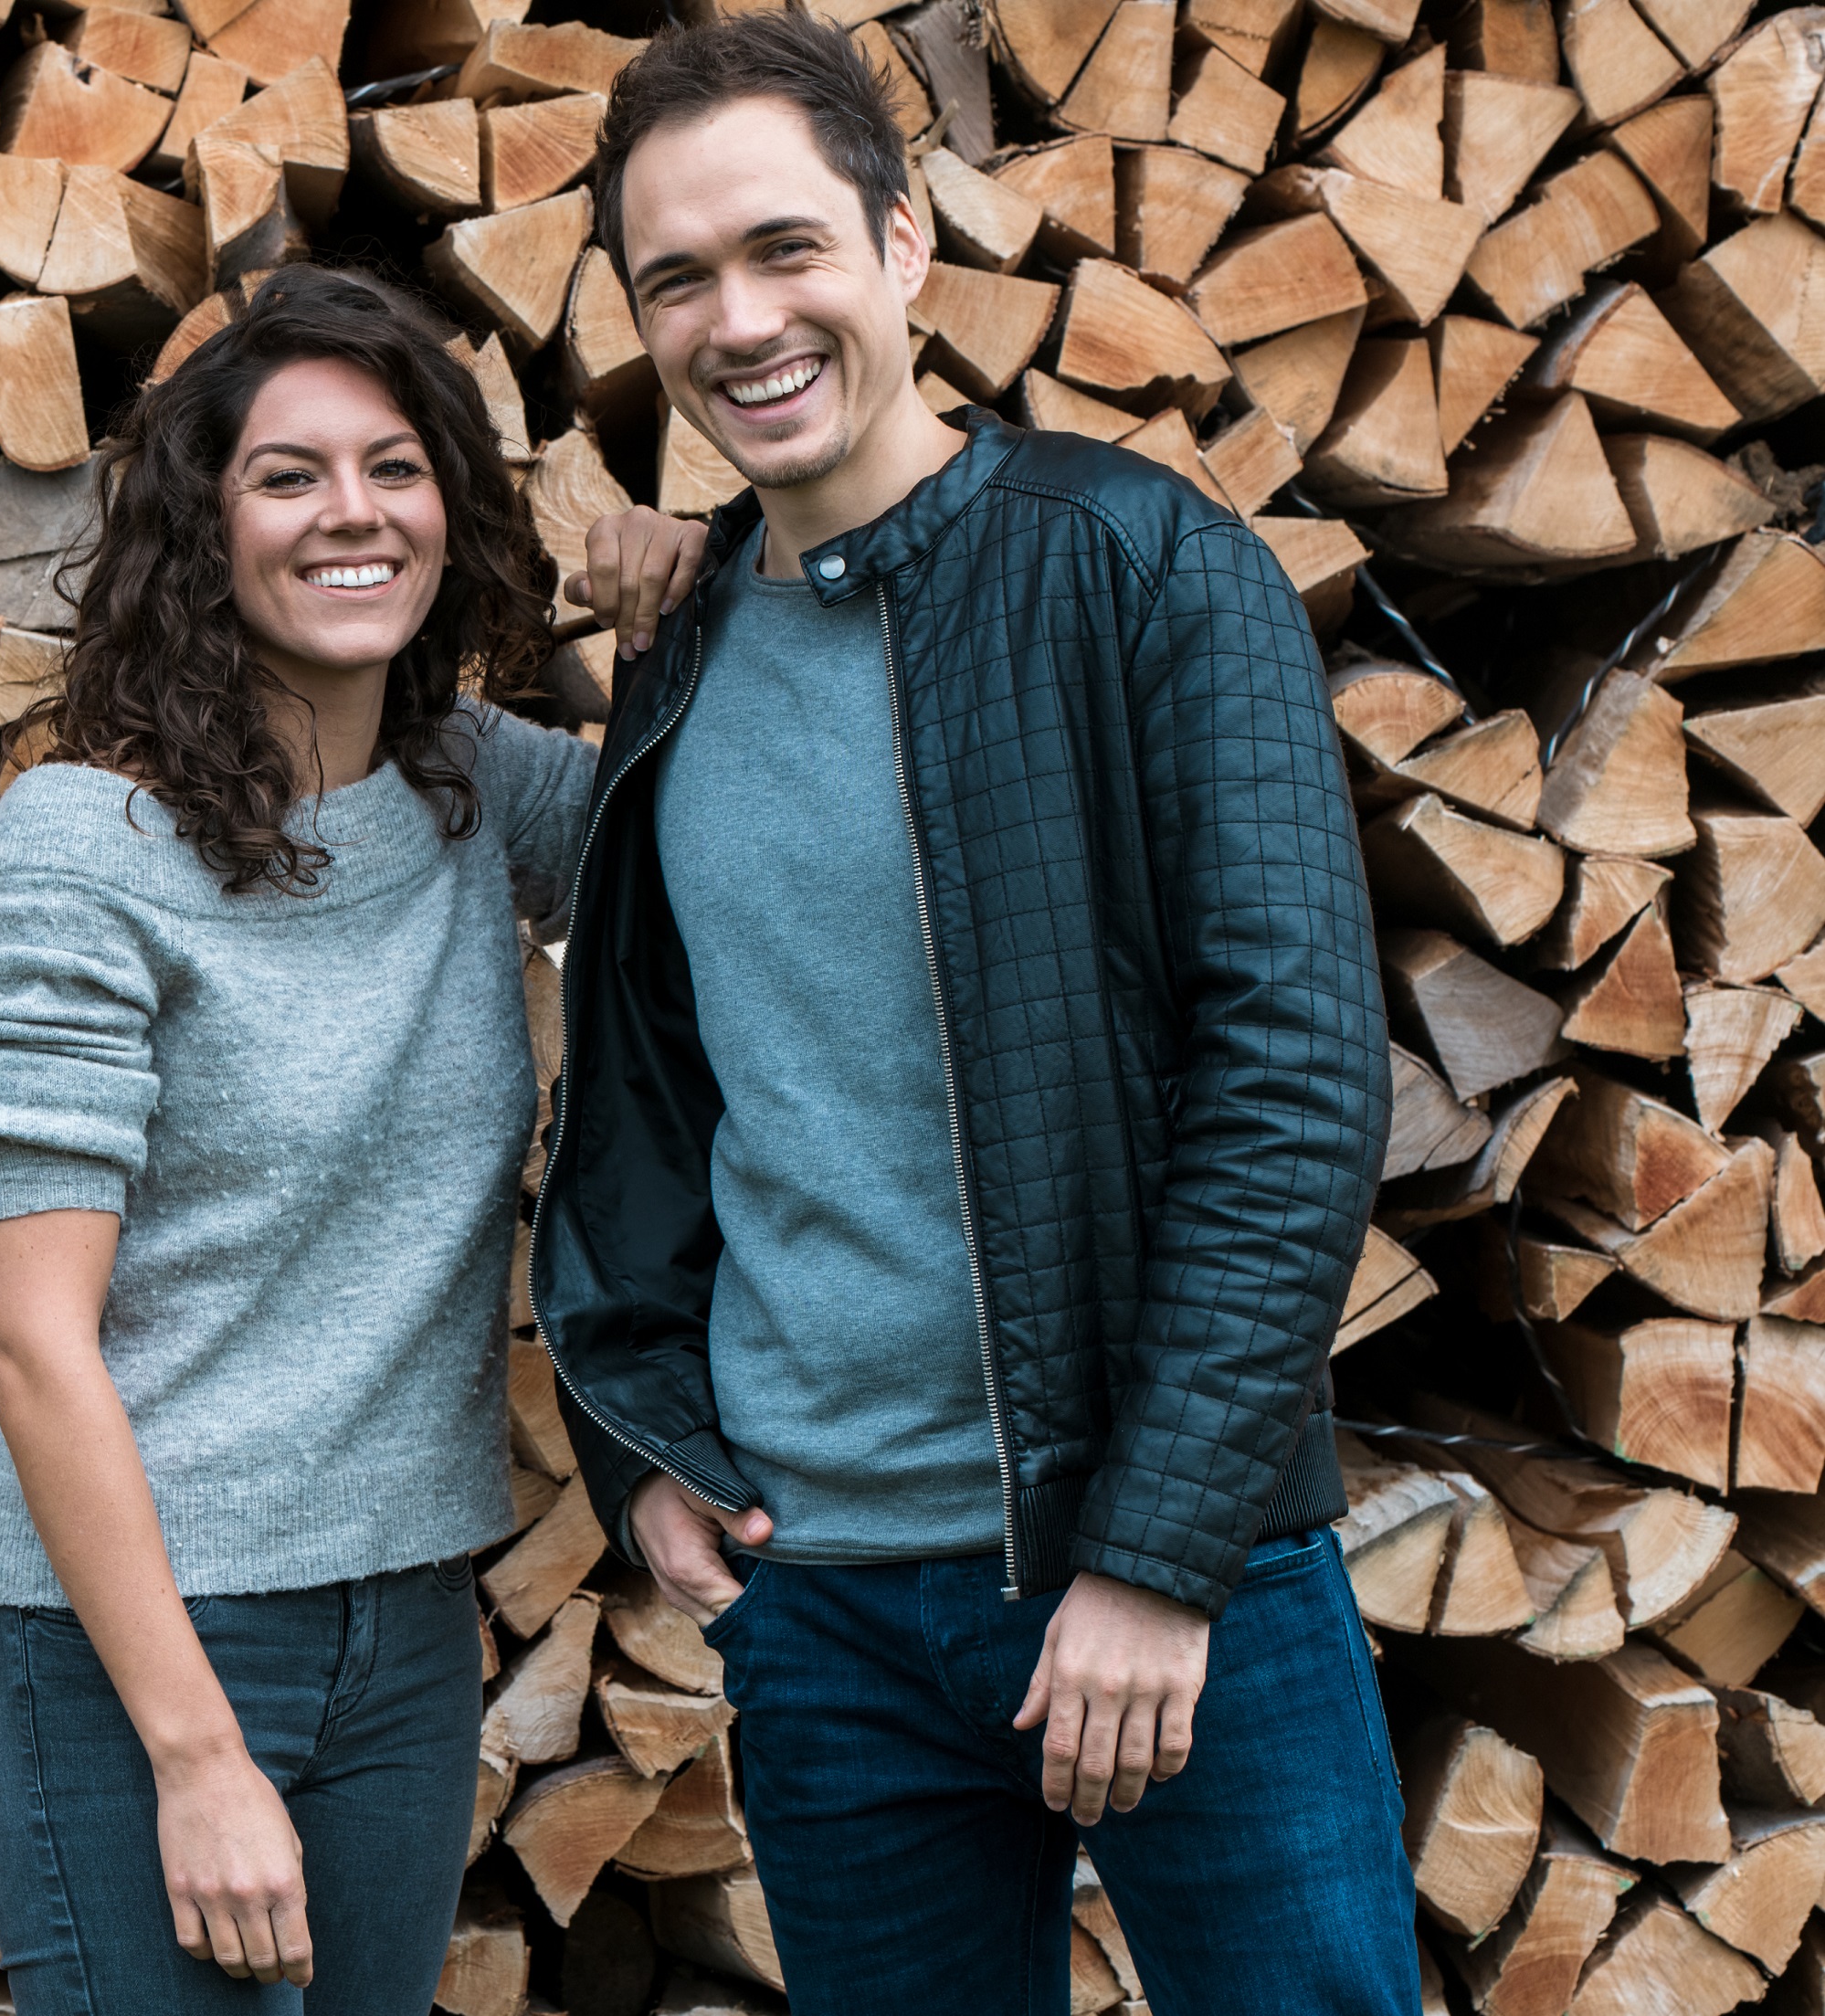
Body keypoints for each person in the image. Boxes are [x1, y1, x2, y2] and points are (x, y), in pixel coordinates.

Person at [536, 10, 1415, 2011]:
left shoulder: (1141, 567)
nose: (736, 319)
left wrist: (1155, 1554)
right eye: (675, 277)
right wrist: (643, 1439)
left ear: (903, 245)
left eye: (782, 249)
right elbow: (666, 1100)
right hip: (824, 1605)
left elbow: (1285, 1081)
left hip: (1168, 1578)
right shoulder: (670, 661)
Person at [0, 264, 594, 2014]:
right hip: (140, 1645)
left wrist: (701, 585)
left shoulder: (475, 791)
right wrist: (193, 1753)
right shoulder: (84, 849)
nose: (349, 514)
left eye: (393, 465)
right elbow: (28, 1334)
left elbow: (739, 836)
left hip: (405, 1626)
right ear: (199, 530)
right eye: (287, 475)